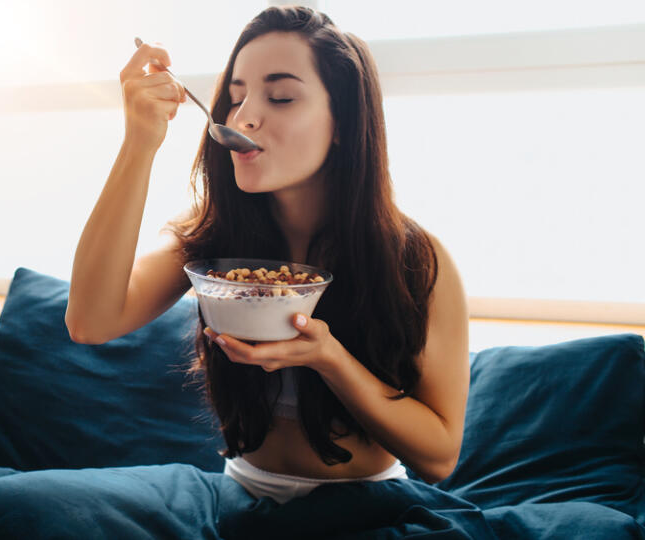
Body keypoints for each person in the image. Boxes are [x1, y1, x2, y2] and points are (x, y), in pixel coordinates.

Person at [65, 5, 469, 504]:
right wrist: (139, 144)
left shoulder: (414, 260)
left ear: (342, 121)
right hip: (239, 500)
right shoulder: (214, 235)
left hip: (373, 503)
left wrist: (330, 359)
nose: (244, 116)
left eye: (280, 97)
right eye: (235, 97)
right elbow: (89, 321)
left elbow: (440, 457)